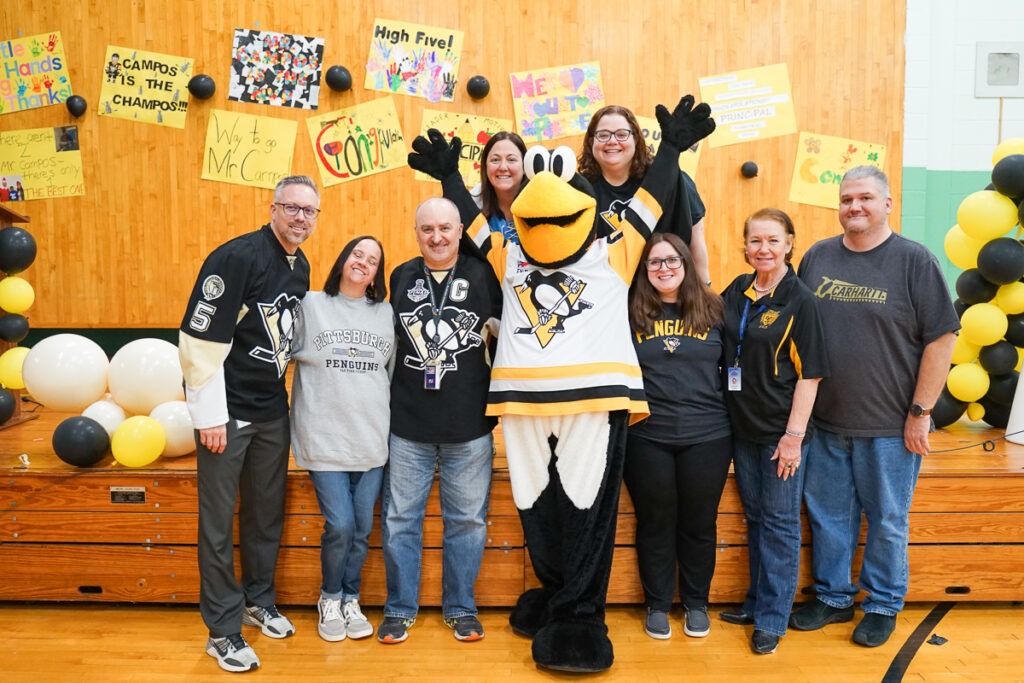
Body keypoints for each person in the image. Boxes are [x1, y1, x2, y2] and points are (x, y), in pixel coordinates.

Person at [791, 166, 959, 647]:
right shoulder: (818, 257)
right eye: (847, 199)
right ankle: (833, 597)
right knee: (828, 517)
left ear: (887, 203)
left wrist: (920, 412)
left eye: (865, 198)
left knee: (887, 520)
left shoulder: (914, 261)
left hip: (890, 427)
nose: (854, 207)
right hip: (826, 423)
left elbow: (942, 339)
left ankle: (883, 603)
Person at [179, 175, 319, 673]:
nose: (300, 217)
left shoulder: (300, 265)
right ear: (273, 208)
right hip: (228, 413)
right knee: (218, 522)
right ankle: (222, 629)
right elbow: (199, 341)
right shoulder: (236, 257)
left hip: (271, 410)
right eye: (291, 207)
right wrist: (210, 416)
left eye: (309, 211)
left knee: (265, 513)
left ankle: (259, 600)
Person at [378, 196, 502, 645]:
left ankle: (461, 608)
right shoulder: (400, 276)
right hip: (407, 425)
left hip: (469, 426)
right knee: (399, 520)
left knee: (468, 521)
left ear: (459, 231)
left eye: (445, 228)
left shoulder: (482, 274)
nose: (437, 237)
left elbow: (507, 334)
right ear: (416, 233)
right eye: (427, 229)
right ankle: (398, 609)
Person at [719, 207, 829, 655]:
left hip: (781, 435)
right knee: (757, 520)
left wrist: (793, 438)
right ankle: (755, 602)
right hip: (742, 430)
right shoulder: (737, 290)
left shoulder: (801, 301)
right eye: (755, 240)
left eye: (772, 240)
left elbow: (811, 375)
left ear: (789, 244)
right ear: (745, 246)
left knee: (780, 524)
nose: (763, 248)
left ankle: (772, 619)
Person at [624, 233, 731, 641]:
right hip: (647, 435)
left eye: (672, 260)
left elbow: (733, 369)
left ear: (686, 263)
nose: (664, 268)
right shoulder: (628, 311)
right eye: (655, 262)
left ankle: (696, 603)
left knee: (699, 523)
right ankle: (656, 604)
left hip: (708, 435)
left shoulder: (714, 308)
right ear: (644, 269)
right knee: (655, 521)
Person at [289, 236, 395, 644]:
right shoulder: (311, 305)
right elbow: (281, 354)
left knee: (362, 528)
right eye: (357, 254)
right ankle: (330, 597)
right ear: (343, 259)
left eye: (372, 261)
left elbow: (388, 375)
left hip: (370, 439)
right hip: (324, 439)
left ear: (376, 274)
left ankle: (351, 598)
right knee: (341, 525)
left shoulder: (384, 313)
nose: (363, 263)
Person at [578, 104, 711, 285]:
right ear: (591, 142)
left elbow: (696, 234)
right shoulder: (580, 190)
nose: (612, 141)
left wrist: (705, 287)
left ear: (636, 139)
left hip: (662, 287)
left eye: (622, 134)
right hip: (609, 289)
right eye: (603, 135)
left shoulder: (668, 177)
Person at [472, 131, 527, 243]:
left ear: (525, 166)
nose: (502, 167)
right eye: (495, 160)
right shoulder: (473, 203)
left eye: (511, 160)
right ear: (485, 166)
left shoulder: (540, 205)